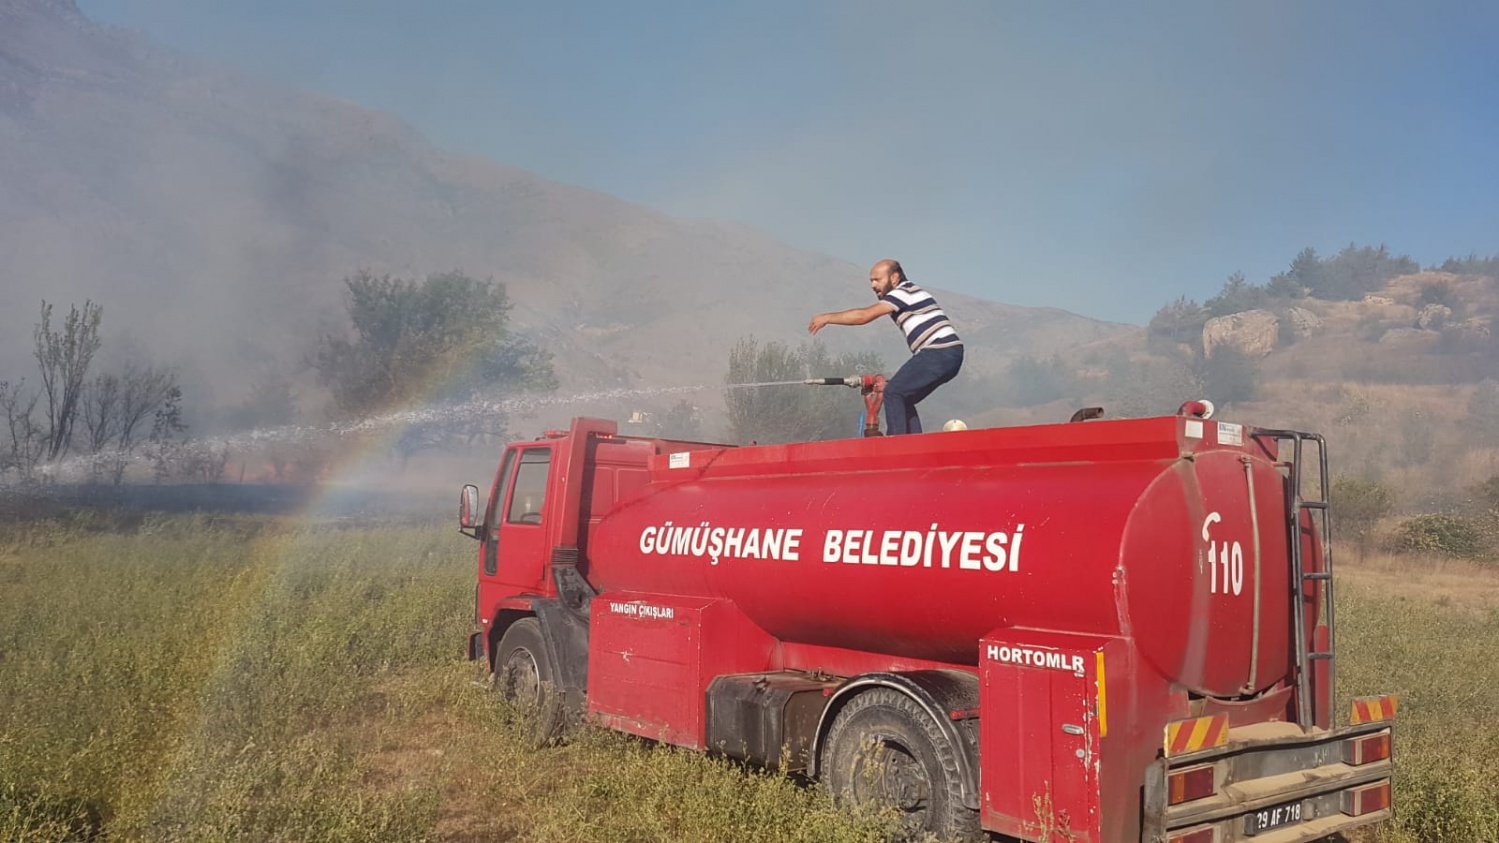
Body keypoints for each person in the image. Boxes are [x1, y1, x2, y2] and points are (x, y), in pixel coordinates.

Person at [808, 260, 964, 435]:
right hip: (950, 354)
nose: (872, 285)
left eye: (877, 280)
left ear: (895, 277)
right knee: (904, 397)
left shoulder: (903, 292)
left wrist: (827, 317)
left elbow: (864, 316)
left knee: (893, 392)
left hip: (939, 350)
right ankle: (916, 446)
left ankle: (896, 444)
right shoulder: (908, 293)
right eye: (871, 281)